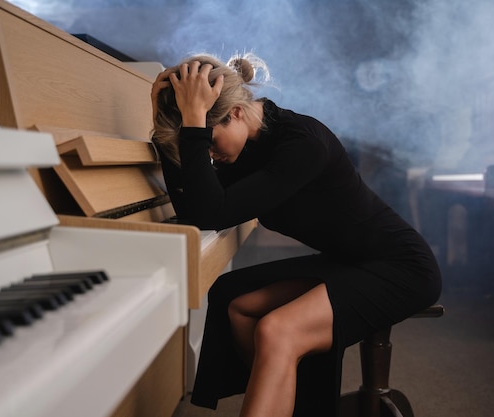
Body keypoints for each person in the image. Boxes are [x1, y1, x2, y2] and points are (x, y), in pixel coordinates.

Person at [151, 53, 441, 417]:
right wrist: (170, 126)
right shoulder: (246, 149)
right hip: (350, 262)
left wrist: (194, 121)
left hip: (401, 267)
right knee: (234, 304)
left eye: (210, 142)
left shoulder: (301, 142)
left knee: (277, 331)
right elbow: (196, 211)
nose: (207, 156)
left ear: (237, 113)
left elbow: (211, 211)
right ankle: (293, 400)